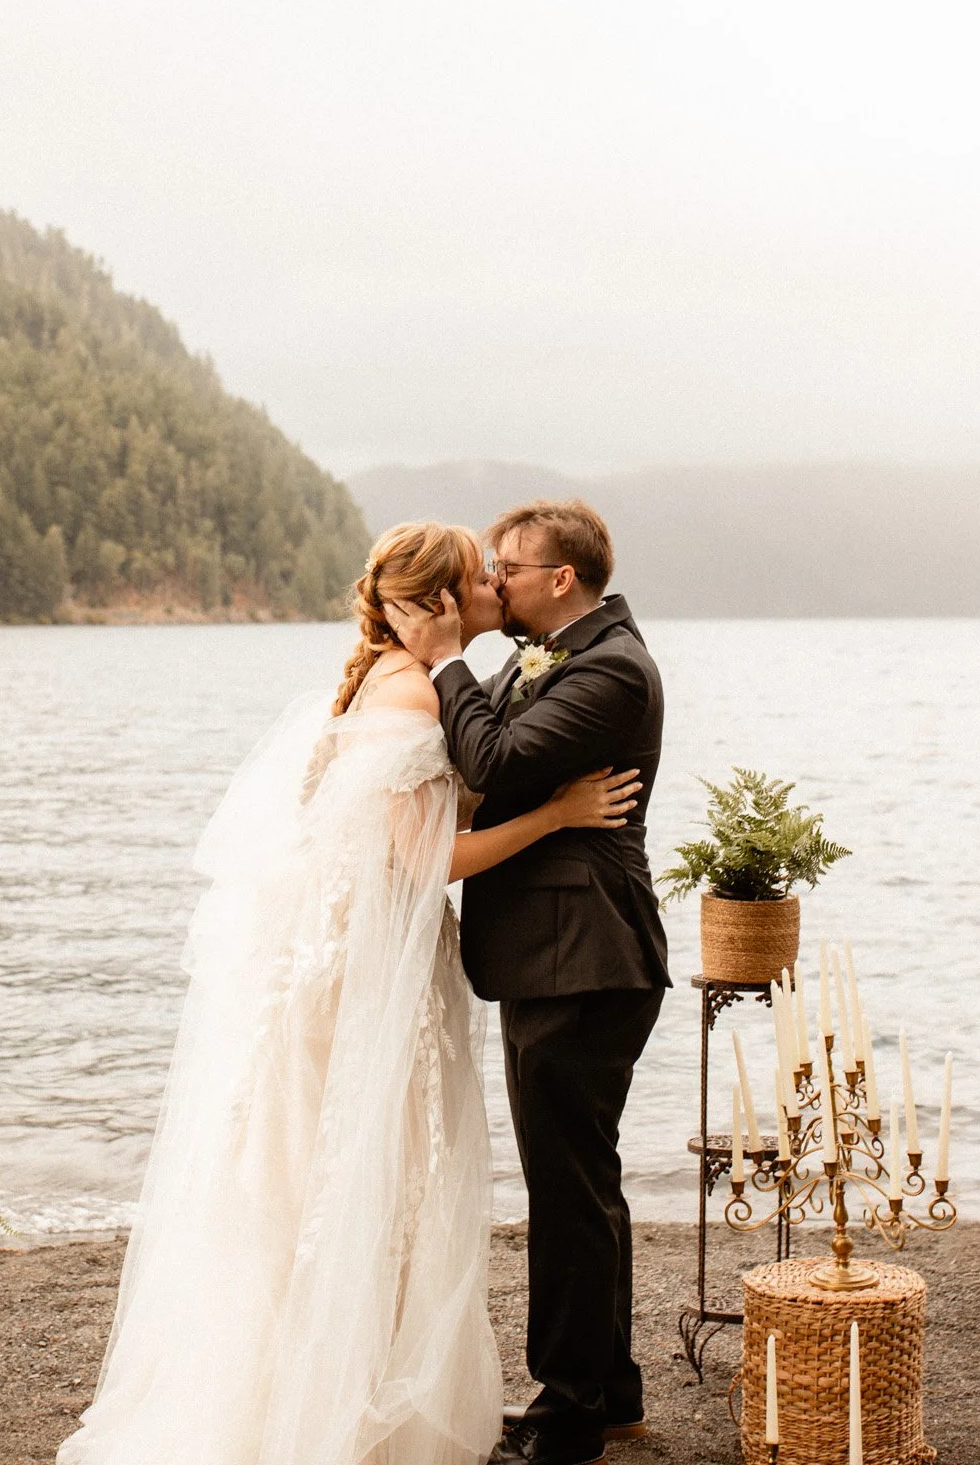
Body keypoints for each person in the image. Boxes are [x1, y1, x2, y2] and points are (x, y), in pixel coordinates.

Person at [59, 519, 642, 1465]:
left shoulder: (390, 681)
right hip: (377, 974)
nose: (497, 584)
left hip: (359, 962)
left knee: (343, 1174)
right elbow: (427, 862)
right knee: (377, 1172)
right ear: (443, 602)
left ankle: (346, 1380)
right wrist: (557, 814)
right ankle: (347, 1401)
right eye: (480, 576)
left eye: (504, 572)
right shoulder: (416, 695)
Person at [384, 499, 667, 1465]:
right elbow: (484, 769)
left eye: (508, 566)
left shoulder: (614, 670)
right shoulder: (541, 659)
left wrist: (445, 661)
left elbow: (495, 756)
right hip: (555, 953)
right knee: (579, 1179)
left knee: (568, 1183)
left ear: (560, 580)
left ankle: (572, 1409)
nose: (493, 580)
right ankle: (607, 1391)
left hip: (587, 955)